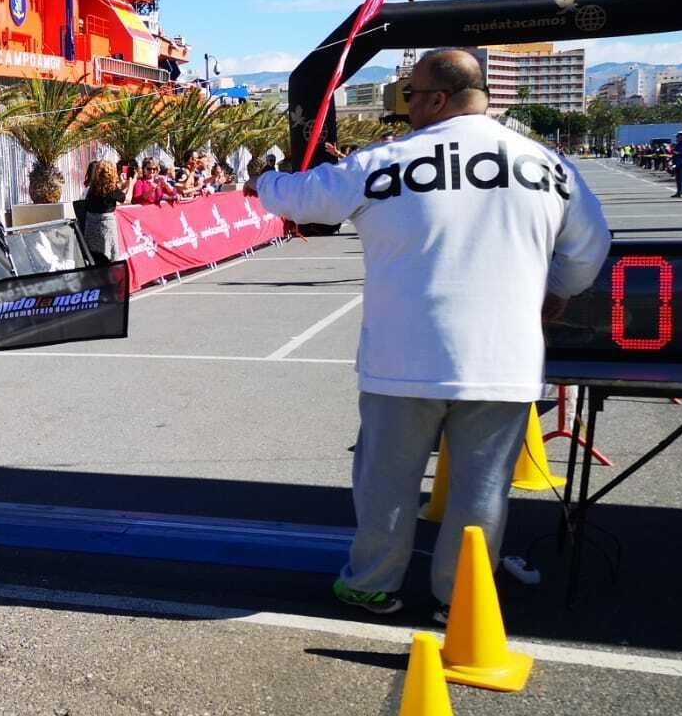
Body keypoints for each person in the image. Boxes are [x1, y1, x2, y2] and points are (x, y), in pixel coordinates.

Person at [252, 49, 611, 618]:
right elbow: (590, 248)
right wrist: (558, 290)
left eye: (411, 96)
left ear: (439, 98)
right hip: (505, 360)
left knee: (386, 486)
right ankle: (461, 600)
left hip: (404, 359)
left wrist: (264, 178)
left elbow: (303, 198)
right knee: (482, 492)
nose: (407, 107)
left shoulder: (385, 161)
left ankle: (373, 581)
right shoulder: (547, 165)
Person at [80, 158, 130, 262]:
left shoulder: (91, 189)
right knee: (108, 257)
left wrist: (123, 184)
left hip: (91, 226)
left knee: (94, 257)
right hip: (106, 226)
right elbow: (125, 199)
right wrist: (132, 183)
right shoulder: (111, 189)